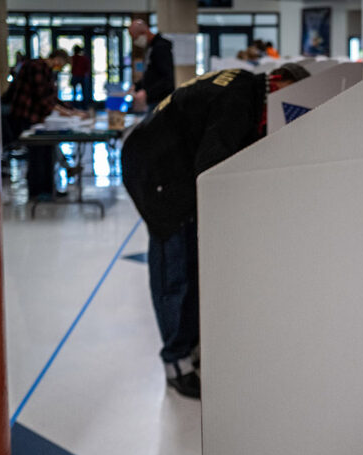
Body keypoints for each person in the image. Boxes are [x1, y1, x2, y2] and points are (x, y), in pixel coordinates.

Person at [121, 64, 310, 398]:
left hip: (172, 163)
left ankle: (191, 345)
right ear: (279, 81)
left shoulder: (248, 87)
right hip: (155, 170)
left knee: (194, 265)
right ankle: (175, 361)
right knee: (174, 266)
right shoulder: (239, 99)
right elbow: (213, 166)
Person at [6, 49, 86, 197]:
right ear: (57, 59)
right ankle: (38, 192)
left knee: (47, 153)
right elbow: (42, 98)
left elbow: (52, 97)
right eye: (61, 65)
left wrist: (71, 110)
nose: (60, 68)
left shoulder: (46, 71)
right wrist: (65, 112)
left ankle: (49, 190)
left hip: (37, 118)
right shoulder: (36, 67)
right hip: (27, 116)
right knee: (37, 155)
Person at [129, 19, 174, 111]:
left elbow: (167, 78)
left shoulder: (160, 47)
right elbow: (151, 73)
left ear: (143, 33)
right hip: (153, 100)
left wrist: (147, 93)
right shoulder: (151, 48)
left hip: (161, 100)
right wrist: (137, 86)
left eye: (135, 38)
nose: (135, 41)